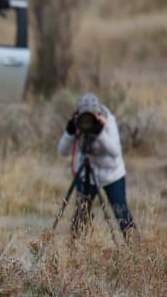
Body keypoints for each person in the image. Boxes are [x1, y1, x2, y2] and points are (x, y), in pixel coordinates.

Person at [58, 92, 138, 242]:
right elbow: (62, 151)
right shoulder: (78, 124)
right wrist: (69, 133)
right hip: (87, 174)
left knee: (121, 212)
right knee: (81, 214)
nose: (88, 120)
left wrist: (100, 133)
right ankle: (76, 248)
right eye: (85, 116)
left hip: (112, 174)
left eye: (92, 115)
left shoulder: (108, 122)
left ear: (98, 112)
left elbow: (115, 152)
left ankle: (136, 250)